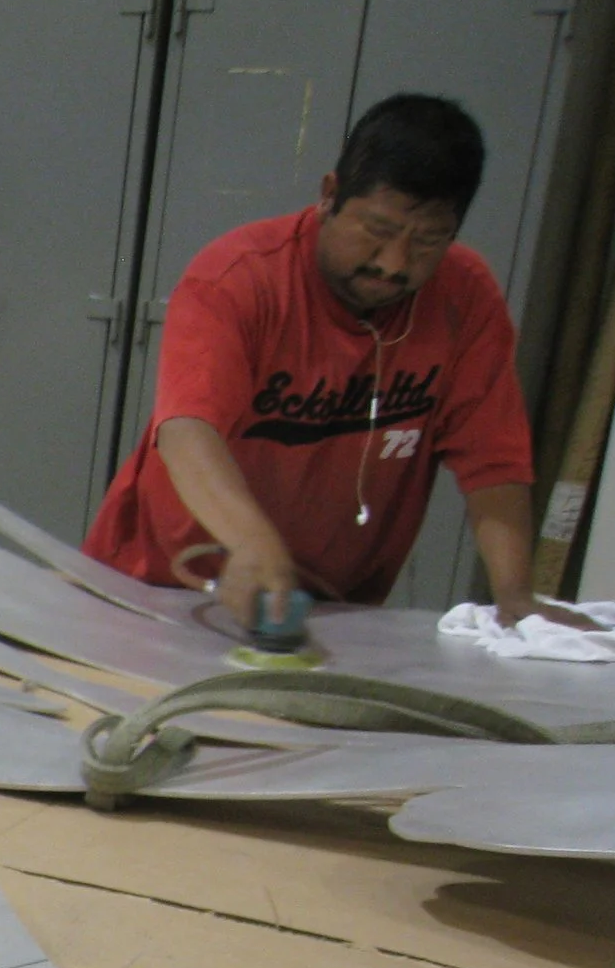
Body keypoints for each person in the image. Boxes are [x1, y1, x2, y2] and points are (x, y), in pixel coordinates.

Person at [84, 93, 588, 630]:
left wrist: (516, 596)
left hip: (325, 610)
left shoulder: (464, 299)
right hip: (159, 589)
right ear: (329, 195)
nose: (394, 264)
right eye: (378, 230)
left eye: (428, 241)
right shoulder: (239, 279)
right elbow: (187, 429)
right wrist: (253, 543)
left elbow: (494, 461)